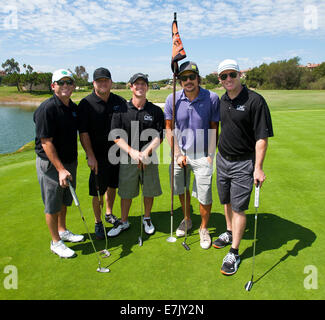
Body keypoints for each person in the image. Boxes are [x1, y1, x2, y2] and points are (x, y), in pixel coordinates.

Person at [214, 59, 274, 275]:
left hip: (243, 163)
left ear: (240, 75)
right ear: (219, 79)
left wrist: (258, 167)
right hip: (223, 159)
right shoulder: (222, 100)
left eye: (232, 74)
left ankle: (235, 251)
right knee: (227, 200)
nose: (228, 79)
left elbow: (262, 137)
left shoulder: (255, 101)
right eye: (224, 76)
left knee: (239, 206)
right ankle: (229, 231)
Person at [164, 61, 220, 249]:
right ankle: (187, 219)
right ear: (179, 81)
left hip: (202, 155)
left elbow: (214, 127)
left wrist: (210, 155)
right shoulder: (172, 99)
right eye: (184, 78)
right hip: (180, 154)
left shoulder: (211, 97)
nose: (188, 81)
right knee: (181, 188)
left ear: (198, 78)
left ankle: (203, 228)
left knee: (204, 194)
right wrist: (177, 154)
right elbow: (169, 128)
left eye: (191, 77)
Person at [34, 69, 84, 259]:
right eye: (60, 83)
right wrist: (60, 169)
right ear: (53, 86)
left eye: (68, 82)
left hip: (69, 161)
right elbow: (46, 142)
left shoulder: (72, 107)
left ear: (73, 86)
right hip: (51, 165)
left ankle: (62, 231)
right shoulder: (47, 109)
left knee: (64, 199)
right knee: (52, 203)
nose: (65, 86)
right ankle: (55, 242)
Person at [107, 73, 164, 237]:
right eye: (136, 84)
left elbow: (159, 135)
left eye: (143, 84)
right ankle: (124, 221)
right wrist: (132, 152)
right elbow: (116, 136)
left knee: (149, 190)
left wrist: (145, 153)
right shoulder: (121, 110)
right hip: (127, 157)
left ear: (147, 87)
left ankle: (147, 218)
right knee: (126, 192)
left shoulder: (155, 111)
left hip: (149, 157)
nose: (140, 87)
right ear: (130, 87)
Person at [78, 67, 126, 239]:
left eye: (106, 80)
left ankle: (109, 213)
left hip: (116, 154)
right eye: (99, 81)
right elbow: (83, 133)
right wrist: (90, 155)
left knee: (112, 186)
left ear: (111, 82)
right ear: (94, 83)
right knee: (97, 191)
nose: (103, 83)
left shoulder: (119, 101)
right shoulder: (86, 104)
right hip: (97, 156)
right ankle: (98, 222)